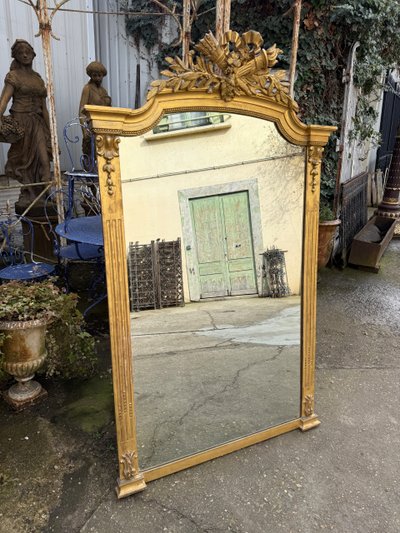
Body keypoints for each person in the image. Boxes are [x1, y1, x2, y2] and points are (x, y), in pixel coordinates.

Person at [0, 39, 52, 211]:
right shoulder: (13, 76)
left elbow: (44, 107)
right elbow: (4, 100)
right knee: (25, 162)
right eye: (20, 52)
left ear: (33, 54)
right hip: (21, 122)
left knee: (44, 160)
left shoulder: (37, 79)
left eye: (27, 51)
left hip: (37, 122)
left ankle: (46, 193)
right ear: (15, 56)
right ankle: (30, 193)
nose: (24, 54)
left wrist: (50, 130)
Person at [79, 61, 111, 158]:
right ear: (91, 76)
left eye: (99, 75)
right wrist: (84, 131)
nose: (97, 78)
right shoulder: (87, 88)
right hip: (92, 126)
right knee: (93, 153)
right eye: (94, 75)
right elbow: (81, 111)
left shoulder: (103, 91)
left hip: (105, 125)